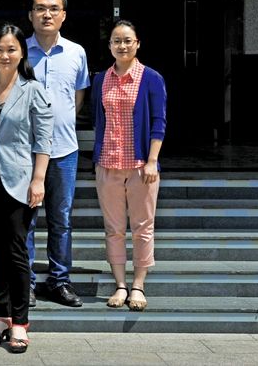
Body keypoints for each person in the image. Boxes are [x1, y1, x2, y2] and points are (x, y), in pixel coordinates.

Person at [0, 24, 53, 354]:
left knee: (16, 251)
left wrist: (38, 179)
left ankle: (20, 321)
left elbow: (43, 140)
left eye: (11, 49)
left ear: (21, 53)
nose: (5, 55)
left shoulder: (33, 90)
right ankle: (1, 317)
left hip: (20, 181)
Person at [90, 20, 166, 312]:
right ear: (109, 45)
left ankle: (138, 285)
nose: (122, 46)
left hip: (141, 166)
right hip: (107, 165)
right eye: (116, 41)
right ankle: (120, 285)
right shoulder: (101, 79)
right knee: (114, 229)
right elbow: (96, 118)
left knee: (143, 227)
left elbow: (158, 122)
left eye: (127, 40)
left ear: (137, 44)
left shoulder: (151, 78)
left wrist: (152, 161)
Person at [26, 0, 89, 308]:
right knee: (25, 220)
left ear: (63, 15)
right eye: (40, 8)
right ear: (30, 15)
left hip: (64, 150)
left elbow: (77, 98)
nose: (46, 14)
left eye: (53, 9)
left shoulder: (77, 53)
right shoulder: (19, 51)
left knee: (61, 220)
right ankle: (25, 283)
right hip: (24, 152)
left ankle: (59, 281)